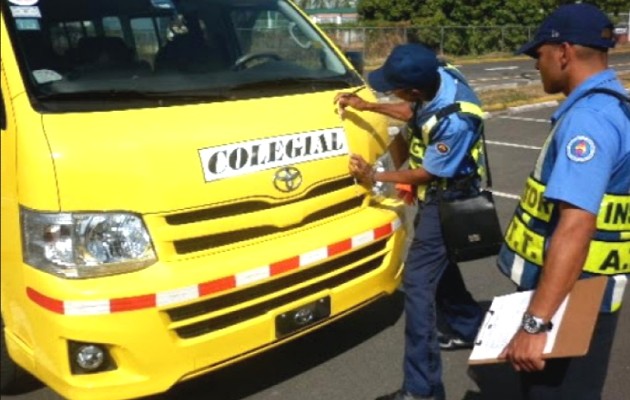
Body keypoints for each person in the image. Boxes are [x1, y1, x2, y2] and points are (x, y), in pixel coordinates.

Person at [335, 43, 484, 400]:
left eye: (394, 87)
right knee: (439, 266)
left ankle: (422, 390)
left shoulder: (457, 119)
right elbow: (412, 111)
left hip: (447, 197)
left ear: (416, 88)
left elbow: (429, 172)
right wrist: (368, 106)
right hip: (439, 193)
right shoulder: (439, 77)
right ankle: (467, 326)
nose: (390, 91)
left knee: (417, 287)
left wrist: (376, 176)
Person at [496, 3, 630, 400]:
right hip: (587, 291)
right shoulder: (615, 105)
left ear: (564, 53)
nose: (537, 64)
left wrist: (535, 324)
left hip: (569, 300)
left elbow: (576, 225)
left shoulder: (587, 121)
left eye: (539, 54)